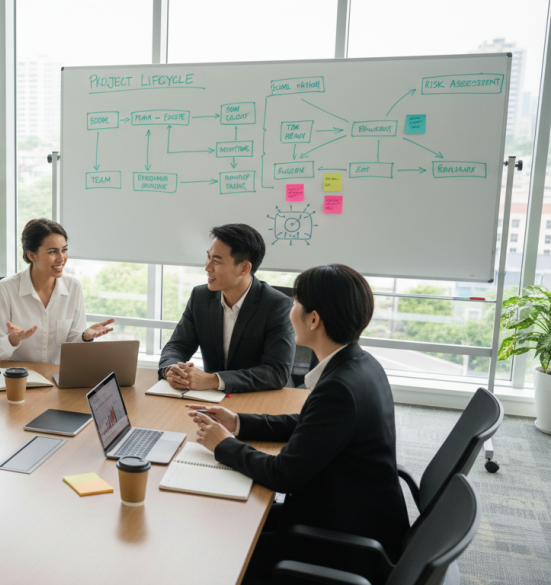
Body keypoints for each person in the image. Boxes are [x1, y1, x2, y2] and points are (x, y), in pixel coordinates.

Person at [187, 264, 410, 581]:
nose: (290, 311)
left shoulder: (339, 388)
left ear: (314, 319)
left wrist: (223, 444)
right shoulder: (361, 363)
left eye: (295, 304)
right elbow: (310, 424)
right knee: (229, 519)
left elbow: (283, 475)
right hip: (353, 514)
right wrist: (238, 423)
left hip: (343, 541)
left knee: (219, 548)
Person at [159, 223, 295, 393]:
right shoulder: (200, 297)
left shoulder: (277, 306)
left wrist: (213, 380)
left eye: (216, 261)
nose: (207, 267)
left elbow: (276, 372)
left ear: (244, 268)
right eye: (208, 257)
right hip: (215, 399)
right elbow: (177, 346)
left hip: (264, 399)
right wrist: (171, 369)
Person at [0, 218, 114, 364]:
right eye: (53, 252)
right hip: (18, 379)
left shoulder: (73, 288)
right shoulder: (5, 289)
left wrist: (85, 337)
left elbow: (73, 346)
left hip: (57, 379)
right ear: (32, 255)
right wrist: (11, 340)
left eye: (64, 250)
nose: (61, 259)